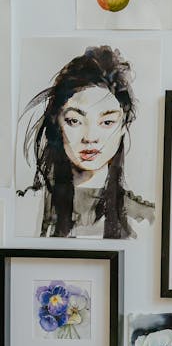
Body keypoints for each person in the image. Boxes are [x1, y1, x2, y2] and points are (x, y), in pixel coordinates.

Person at [17, 45, 154, 239]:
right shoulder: (26, 209)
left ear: (124, 125)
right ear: (57, 123)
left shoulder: (143, 220)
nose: (90, 137)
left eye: (107, 122)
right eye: (75, 121)